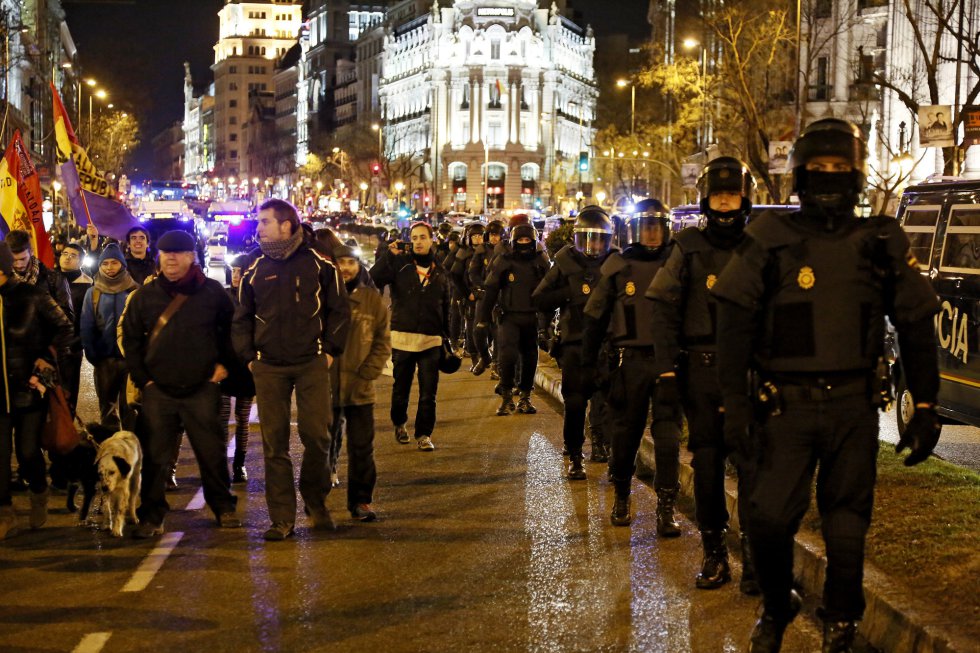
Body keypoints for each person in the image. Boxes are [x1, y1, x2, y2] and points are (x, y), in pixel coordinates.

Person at [711, 118, 941, 653]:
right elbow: (734, 326)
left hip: (853, 407)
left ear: (857, 175)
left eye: (841, 169)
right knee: (766, 519)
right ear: (800, 176)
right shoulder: (769, 238)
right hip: (783, 408)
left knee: (846, 529)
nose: (830, 178)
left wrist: (926, 403)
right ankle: (776, 603)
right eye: (819, 169)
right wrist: (736, 405)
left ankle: (841, 622)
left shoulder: (881, 240)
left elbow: (914, 322)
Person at [646, 157, 760, 593]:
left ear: (745, 198)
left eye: (733, 194)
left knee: (753, 466)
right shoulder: (688, 248)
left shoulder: (758, 247)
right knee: (709, 465)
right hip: (702, 369)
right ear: (706, 200)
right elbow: (663, 311)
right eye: (719, 195)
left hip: (749, 376)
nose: (726, 202)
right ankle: (714, 553)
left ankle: (752, 556)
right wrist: (667, 373)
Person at [232, 199, 350, 542]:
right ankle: (281, 518)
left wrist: (329, 352)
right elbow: (240, 318)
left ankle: (315, 500)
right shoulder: (253, 267)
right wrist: (249, 358)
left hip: (311, 363)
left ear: (286, 225)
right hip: (268, 367)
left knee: (317, 436)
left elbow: (340, 312)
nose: (259, 228)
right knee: (274, 444)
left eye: (265, 222)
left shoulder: (320, 264)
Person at [121, 230, 243, 538]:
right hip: (158, 390)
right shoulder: (144, 296)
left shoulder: (213, 293)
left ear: (192, 257)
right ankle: (152, 514)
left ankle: (223, 506)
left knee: (212, 452)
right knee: (155, 457)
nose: (170, 258)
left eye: (178, 253)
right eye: (165, 253)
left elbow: (232, 333)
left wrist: (224, 366)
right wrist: (143, 379)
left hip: (202, 387)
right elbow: (131, 340)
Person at [582, 199, 682, 533]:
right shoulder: (617, 265)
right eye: (645, 227)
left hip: (668, 363)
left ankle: (666, 508)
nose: (651, 235)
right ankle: (622, 495)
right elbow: (594, 316)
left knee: (668, 439)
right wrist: (590, 364)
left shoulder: (678, 263)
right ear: (633, 230)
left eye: (657, 227)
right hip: (630, 363)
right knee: (625, 435)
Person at [533, 206, 615, 478]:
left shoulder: (615, 262)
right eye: (587, 238)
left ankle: (601, 444)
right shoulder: (565, 261)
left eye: (598, 239)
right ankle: (575, 453)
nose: (592, 245)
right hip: (575, 343)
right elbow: (540, 298)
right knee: (576, 402)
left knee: (604, 399)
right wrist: (569, 294)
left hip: (606, 344)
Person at [0, 242, 74, 539]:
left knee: (28, 451)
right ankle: (5, 512)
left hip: (28, 389)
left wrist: (45, 360)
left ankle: (39, 490)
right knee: (0, 455)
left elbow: (65, 327)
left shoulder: (32, 296)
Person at [370, 221, 451, 452]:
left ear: (431, 240)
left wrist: (449, 338)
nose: (418, 241)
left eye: (422, 237)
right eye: (414, 238)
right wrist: (388, 255)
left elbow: (446, 306)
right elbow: (373, 278)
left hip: (431, 340)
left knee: (428, 394)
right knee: (401, 388)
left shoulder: (440, 269)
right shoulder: (400, 264)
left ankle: (424, 434)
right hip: (403, 338)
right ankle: (399, 423)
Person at [329, 245, 390, 522]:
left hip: (360, 386)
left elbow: (382, 341)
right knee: (320, 445)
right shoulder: (323, 295)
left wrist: (369, 372)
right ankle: (316, 500)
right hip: (325, 385)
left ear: (358, 265)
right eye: (340, 262)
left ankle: (361, 501)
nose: (346, 268)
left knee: (362, 448)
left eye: (350, 262)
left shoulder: (372, 299)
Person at [478, 223, 550, 416]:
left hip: (532, 317)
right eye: (520, 240)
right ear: (513, 241)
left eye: (527, 240)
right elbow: (491, 289)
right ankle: (506, 396)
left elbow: (549, 291)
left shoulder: (540, 261)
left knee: (529, 358)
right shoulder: (504, 261)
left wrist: (546, 324)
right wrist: (483, 318)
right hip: (509, 316)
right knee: (507, 356)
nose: (524, 243)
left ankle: (525, 396)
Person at [81, 244, 139, 430]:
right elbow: (87, 326)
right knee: (107, 410)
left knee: (130, 409)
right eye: (105, 263)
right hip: (104, 361)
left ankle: (130, 450)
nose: (109, 267)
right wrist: (94, 356)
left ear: (122, 264)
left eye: (114, 262)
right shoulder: (93, 292)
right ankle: (111, 448)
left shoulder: (134, 291)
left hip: (129, 360)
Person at [220, 263, 255, 483]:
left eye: (240, 271)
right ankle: (220, 463)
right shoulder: (223, 297)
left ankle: (240, 464)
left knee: (243, 418)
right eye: (233, 271)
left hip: (246, 367)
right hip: (224, 365)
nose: (236, 275)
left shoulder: (254, 298)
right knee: (222, 418)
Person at [7, 229, 73, 324]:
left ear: (31, 252)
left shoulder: (55, 279)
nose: (19, 264)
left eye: (23, 259)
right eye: (14, 260)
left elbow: (66, 320)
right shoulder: (4, 280)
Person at [57, 243, 93, 412]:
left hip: (72, 347)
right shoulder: (49, 279)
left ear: (81, 261)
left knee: (68, 392)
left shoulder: (87, 284)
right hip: (50, 346)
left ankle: (67, 432)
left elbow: (87, 317)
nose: (68, 257)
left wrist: (77, 342)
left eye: (73, 255)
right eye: (65, 253)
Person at [468, 220, 504, 378]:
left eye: (497, 235)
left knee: (497, 332)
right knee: (478, 329)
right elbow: (473, 272)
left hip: (500, 296)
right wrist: (483, 286)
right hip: (484, 295)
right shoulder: (482, 250)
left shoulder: (506, 250)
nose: (494, 238)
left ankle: (496, 364)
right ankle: (484, 357)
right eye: (491, 235)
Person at [451, 223, 485, 371]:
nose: (477, 239)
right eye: (474, 236)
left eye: (480, 236)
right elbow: (454, 274)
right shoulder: (463, 253)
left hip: (486, 295)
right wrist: (467, 293)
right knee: (471, 327)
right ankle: (474, 357)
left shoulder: (489, 251)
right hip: (470, 295)